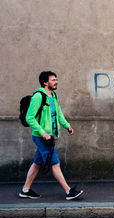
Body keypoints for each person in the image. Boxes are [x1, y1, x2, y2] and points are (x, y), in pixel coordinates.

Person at [19, 71, 83, 200]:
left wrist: (67, 126)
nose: (56, 82)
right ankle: (68, 191)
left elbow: (58, 114)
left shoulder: (53, 95)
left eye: (56, 79)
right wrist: (42, 132)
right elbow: (30, 117)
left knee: (37, 163)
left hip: (49, 136)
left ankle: (25, 190)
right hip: (42, 137)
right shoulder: (38, 96)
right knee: (55, 163)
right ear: (45, 82)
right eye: (53, 80)